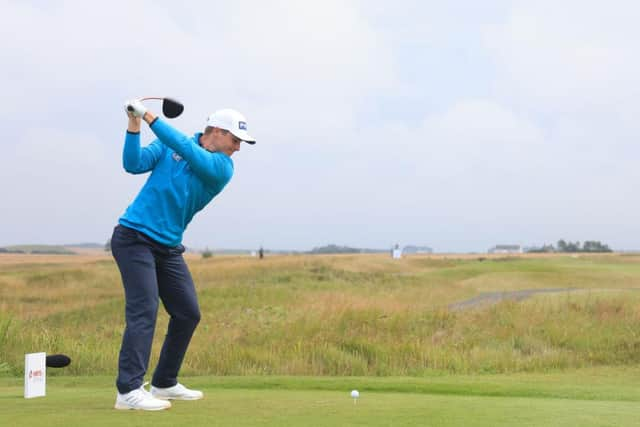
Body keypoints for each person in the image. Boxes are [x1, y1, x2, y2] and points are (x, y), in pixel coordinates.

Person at [112, 99, 256, 411]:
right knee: (144, 310)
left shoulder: (222, 168)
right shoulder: (167, 147)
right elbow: (132, 163)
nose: (238, 148)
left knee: (188, 312)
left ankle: (164, 382)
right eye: (235, 140)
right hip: (133, 237)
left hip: (167, 247)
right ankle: (128, 391)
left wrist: (149, 116)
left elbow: (187, 150)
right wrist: (134, 124)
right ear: (216, 132)